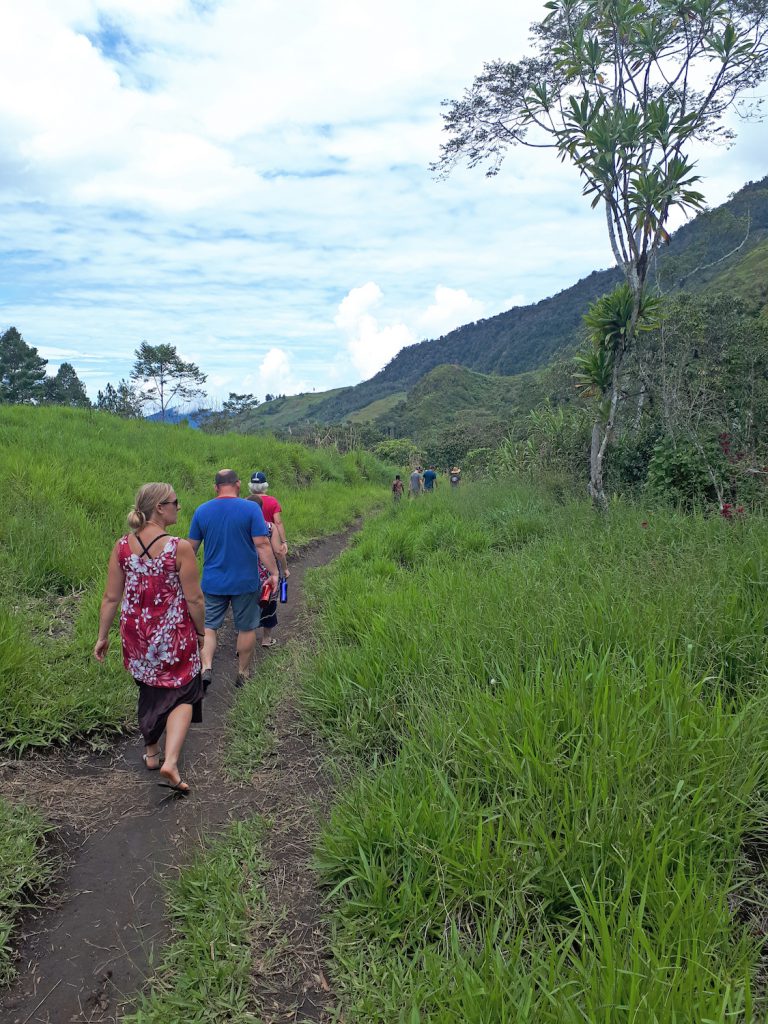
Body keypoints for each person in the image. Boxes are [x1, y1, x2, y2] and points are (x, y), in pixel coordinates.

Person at [93, 482, 206, 797]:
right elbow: (195, 599)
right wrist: (201, 631)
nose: (178, 507)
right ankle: (171, 760)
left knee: (149, 688)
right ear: (159, 507)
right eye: (174, 502)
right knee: (184, 692)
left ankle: (152, 752)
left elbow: (110, 597)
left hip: (137, 635)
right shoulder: (178, 547)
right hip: (172, 635)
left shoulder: (122, 546)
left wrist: (102, 636)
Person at [188, 469, 279, 689]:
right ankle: (243, 672)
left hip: (212, 581)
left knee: (209, 626)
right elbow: (262, 544)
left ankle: (206, 666)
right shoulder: (250, 509)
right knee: (247, 627)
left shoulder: (202, 510)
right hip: (245, 581)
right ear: (238, 484)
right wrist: (274, 573)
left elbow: (190, 549)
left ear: (215, 487)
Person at [248, 493, 283, 647]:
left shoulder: (240, 527)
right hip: (267, 573)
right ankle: (266, 638)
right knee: (269, 603)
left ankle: (243, 643)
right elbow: (277, 551)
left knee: (245, 607)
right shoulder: (269, 527)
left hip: (245, 573)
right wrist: (284, 569)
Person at [247, 471, 289, 578]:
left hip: (250, 540)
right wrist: (284, 541)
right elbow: (278, 522)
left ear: (251, 486)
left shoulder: (246, 501)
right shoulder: (272, 501)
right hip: (269, 538)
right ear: (265, 485)